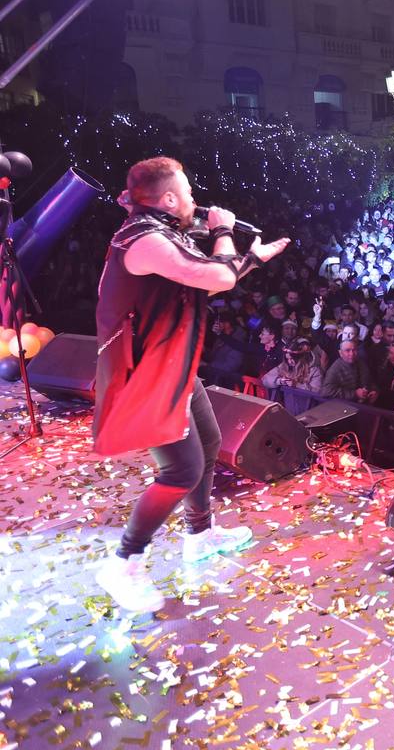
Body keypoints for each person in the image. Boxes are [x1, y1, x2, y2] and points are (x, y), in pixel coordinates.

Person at [91, 156, 291, 613]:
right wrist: (223, 230)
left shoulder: (162, 232)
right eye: (189, 193)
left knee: (211, 440)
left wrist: (253, 258)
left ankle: (199, 534)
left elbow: (211, 279)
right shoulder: (144, 241)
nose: (197, 202)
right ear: (167, 199)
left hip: (169, 364)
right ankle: (123, 562)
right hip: (145, 376)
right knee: (179, 471)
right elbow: (217, 275)